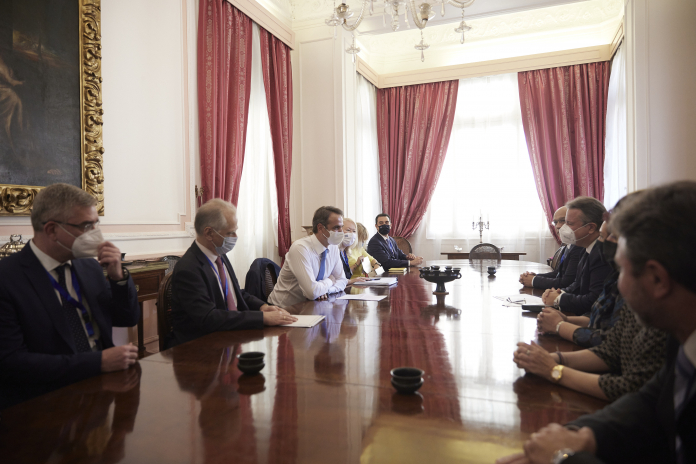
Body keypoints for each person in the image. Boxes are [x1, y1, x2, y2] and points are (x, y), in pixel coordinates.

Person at [498, 181, 696, 464]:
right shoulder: (683, 337)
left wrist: (561, 457)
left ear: (657, 279)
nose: (615, 284)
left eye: (622, 268)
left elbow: (631, 387)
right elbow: (650, 401)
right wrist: (582, 436)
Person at [0, 183, 140, 409]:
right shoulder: (7, 278)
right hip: (45, 401)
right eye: (86, 226)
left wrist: (118, 277)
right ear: (52, 230)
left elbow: (127, 318)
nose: (95, 234)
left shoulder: (89, 266)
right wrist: (97, 362)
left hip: (104, 391)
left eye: (96, 224)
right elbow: (12, 362)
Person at [169, 199, 296, 347]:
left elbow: (235, 293)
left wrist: (262, 306)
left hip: (230, 336)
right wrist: (262, 318)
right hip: (200, 346)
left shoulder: (220, 255)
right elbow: (208, 318)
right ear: (209, 233)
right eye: (230, 232)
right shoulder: (188, 269)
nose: (235, 237)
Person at [536, 221, 622, 347]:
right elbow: (598, 313)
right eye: (602, 236)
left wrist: (559, 326)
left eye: (611, 237)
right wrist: (565, 319)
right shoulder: (614, 275)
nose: (560, 226)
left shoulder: (602, 259)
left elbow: (610, 343)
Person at [540, 197, 612, 316]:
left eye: (569, 223)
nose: (562, 228)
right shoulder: (585, 248)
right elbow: (577, 284)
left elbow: (594, 300)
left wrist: (558, 299)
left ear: (591, 228)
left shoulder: (601, 254)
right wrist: (560, 293)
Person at [268, 206, 349, 308]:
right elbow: (312, 292)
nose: (342, 232)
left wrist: (327, 290)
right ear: (320, 228)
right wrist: (330, 281)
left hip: (312, 306)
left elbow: (342, 280)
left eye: (341, 227)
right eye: (336, 227)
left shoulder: (333, 247)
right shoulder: (300, 248)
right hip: (283, 308)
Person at [520, 206, 583, 289]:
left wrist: (533, 281)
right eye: (555, 222)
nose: (558, 226)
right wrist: (535, 277)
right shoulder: (567, 245)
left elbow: (566, 282)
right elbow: (558, 273)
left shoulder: (578, 247)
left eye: (563, 221)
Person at [337, 218, 370, 285]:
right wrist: (350, 281)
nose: (351, 234)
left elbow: (346, 275)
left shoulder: (345, 251)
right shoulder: (335, 251)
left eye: (354, 231)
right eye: (348, 230)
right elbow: (336, 278)